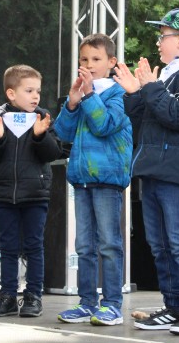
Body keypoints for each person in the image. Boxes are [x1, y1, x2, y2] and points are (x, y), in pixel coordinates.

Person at [113, 7, 179, 336]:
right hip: (154, 169)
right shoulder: (167, 76)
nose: (158, 42)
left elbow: (178, 114)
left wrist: (151, 88)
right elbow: (145, 122)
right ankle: (174, 306)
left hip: (178, 171)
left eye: (164, 36)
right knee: (159, 244)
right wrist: (135, 93)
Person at [54, 34, 133, 326]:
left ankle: (112, 304)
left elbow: (104, 125)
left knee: (109, 244)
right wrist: (72, 104)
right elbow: (63, 133)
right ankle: (87, 302)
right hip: (82, 179)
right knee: (84, 246)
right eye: (84, 59)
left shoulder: (120, 94)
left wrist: (88, 96)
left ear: (111, 62)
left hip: (107, 178)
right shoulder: (82, 92)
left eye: (96, 59)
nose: (89, 65)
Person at [0, 64, 63, 318]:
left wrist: (40, 136)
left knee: (34, 246)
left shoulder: (42, 117)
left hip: (35, 193)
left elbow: (54, 152)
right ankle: (8, 297)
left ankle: (33, 296)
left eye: (38, 91)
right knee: (8, 247)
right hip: (6, 195)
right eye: (29, 90)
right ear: (11, 94)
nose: (36, 96)